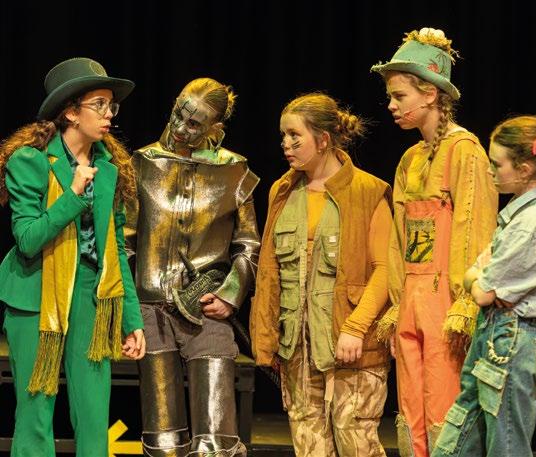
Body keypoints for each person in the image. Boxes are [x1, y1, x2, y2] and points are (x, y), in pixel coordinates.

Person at [0, 57, 145, 457]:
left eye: (112, 105)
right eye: (99, 104)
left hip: (90, 294)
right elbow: (28, 240)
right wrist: (73, 194)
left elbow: (115, 248)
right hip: (36, 294)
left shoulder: (109, 169)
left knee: (94, 412)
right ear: (70, 112)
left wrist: (131, 320)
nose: (109, 114)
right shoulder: (29, 161)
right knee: (35, 412)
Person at [370, 27, 498, 457]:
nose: (391, 105)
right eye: (390, 96)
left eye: (399, 96)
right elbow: (399, 239)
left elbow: (476, 229)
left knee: (445, 405)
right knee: (410, 409)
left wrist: (464, 303)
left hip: (446, 301)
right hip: (411, 297)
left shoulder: (465, 151)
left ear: (430, 95)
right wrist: (397, 301)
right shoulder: (409, 158)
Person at [250, 93, 393, 456]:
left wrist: (355, 327)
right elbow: (270, 273)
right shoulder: (283, 191)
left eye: (295, 136)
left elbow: (386, 270)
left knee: (356, 441)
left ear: (323, 139)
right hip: (297, 347)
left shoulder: (368, 191)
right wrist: (268, 337)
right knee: (308, 444)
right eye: (283, 136)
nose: (286, 144)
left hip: (352, 347)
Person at [126, 77, 260, 457]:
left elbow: (248, 244)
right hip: (151, 310)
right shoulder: (142, 163)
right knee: (163, 441)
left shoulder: (234, 170)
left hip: (207, 309)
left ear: (215, 128)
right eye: (178, 115)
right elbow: (125, 240)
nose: (180, 128)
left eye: (194, 124)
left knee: (215, 441)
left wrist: (231, 295)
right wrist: (129, 309)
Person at [432, 116, 536, 457]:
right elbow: (477, 275)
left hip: (512, 341)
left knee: (506, 446)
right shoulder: (519, 212)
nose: (490, 170)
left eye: (497, 164)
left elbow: (482, 291)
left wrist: (478, 277)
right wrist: (478, 276)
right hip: (494, 333)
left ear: (524, 169)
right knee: (457, 440)